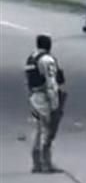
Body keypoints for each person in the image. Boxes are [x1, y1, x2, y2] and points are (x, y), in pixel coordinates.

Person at [24, 34, 66, 173]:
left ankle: (36, 162)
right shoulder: (47, 60)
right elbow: (51, 83)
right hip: (44, 97)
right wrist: (55, 104)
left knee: (39, 129)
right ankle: (46, 162)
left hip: (33, 96)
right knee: (48, 130)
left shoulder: (31, 58)